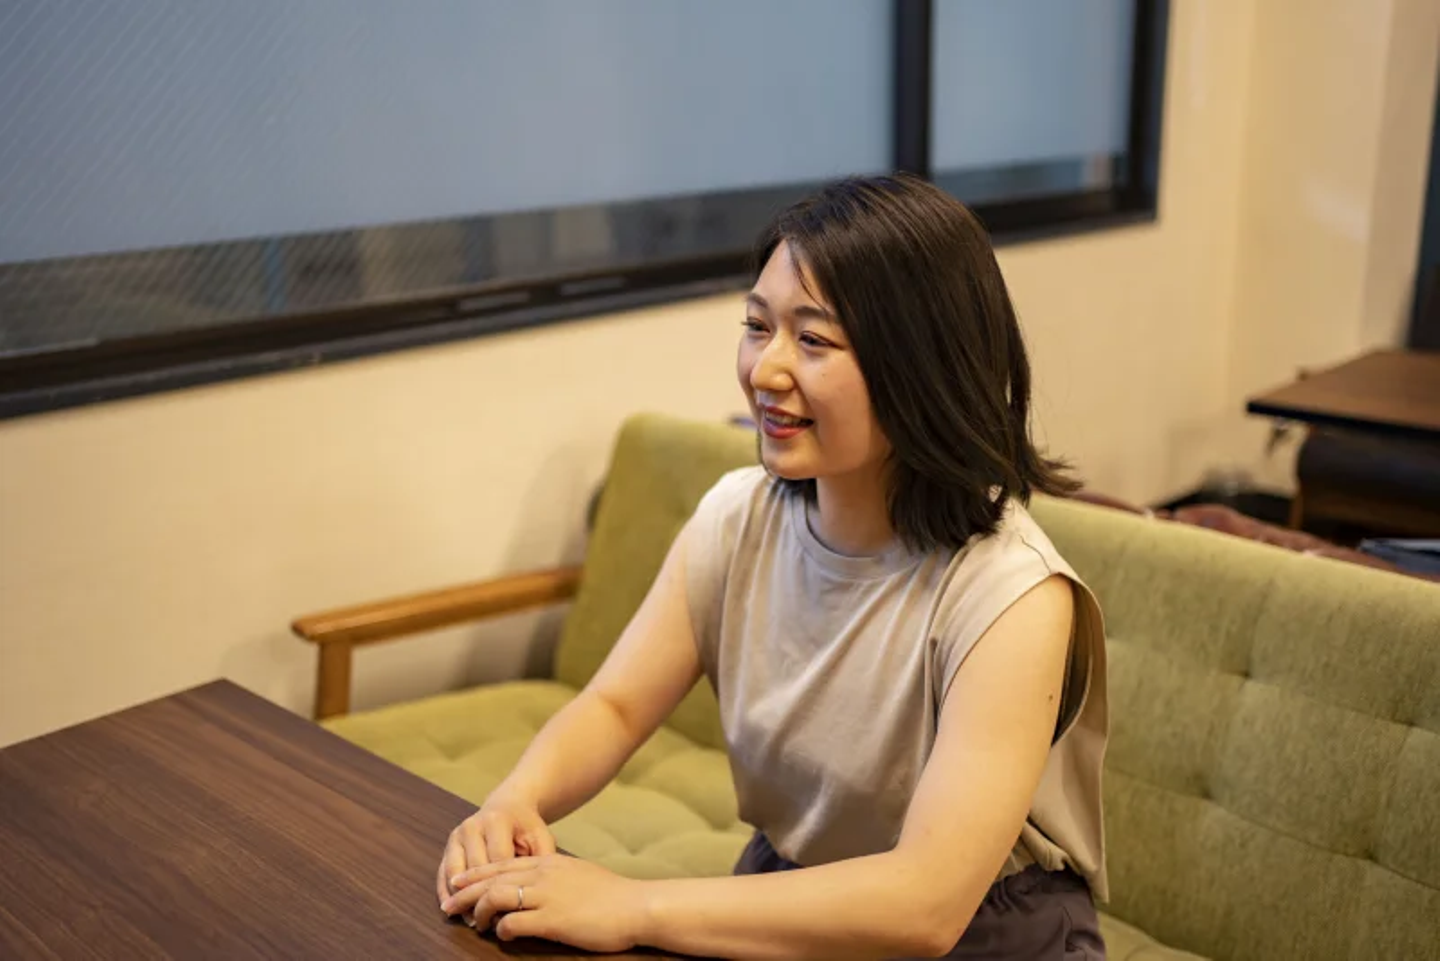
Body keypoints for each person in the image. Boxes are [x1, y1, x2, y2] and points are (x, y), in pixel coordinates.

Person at [437, 174, 1108, 959]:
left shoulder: (1011, 596)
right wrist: (515, 800)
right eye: (758, 326)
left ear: (922, 364)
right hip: (791, 884)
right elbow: (615, 706)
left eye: (813, 340)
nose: (765, 369)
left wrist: (633, 904)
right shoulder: (737, 517)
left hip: (984, 933)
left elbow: (926, 904)